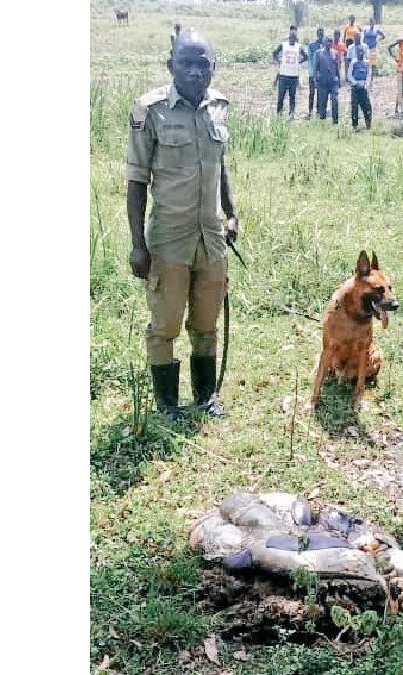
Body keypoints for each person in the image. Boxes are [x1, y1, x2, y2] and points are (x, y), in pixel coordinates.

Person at [126, 29, 239, 421]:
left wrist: (231, 213)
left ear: (213, 67)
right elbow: (136, 180)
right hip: (169, 241)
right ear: (170, 65)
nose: (194, 71)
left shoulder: (218, 107)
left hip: (212, 239)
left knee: (206, 324)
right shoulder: (149, 110)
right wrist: (138, 244)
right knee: (165, 327)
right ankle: (167, 405)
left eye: (201, 64)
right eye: (185, 63)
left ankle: (206, 398)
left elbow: (220, 166)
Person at [272, 25, 307, 120]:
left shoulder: (299, 47)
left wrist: (299, 62)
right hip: (283, 75)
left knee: (292, 97)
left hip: (294, 76)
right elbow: (274, 53)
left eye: (294, 37)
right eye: (291, 37)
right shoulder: (283, 45)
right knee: (281, 97)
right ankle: (279, 115)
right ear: (289, 37)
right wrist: (278, 60)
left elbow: (306, 57)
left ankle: (291, 115)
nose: (292, 39)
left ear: (296, 38)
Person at [314, 36, 341, 124]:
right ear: (324, 42)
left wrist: (339, 79)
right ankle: (323, 122)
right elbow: (316, 68)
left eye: (330, 41)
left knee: (335, 101)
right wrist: (315, 80)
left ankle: (335, 122)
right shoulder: (318, 53)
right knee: (323, 102)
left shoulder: (335, 53)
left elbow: (337, 67)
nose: (329, 43)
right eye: (327, 41)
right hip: (323, 81)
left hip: (333, 81)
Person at [347, 42, 372, 130]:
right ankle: (355, 126)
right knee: (354, 107)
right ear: (356, 53)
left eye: (361, 52)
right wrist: (355, 82)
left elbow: (369, 74)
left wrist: (366, 84)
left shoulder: (367, 63)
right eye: (358, 52)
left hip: (364, 86)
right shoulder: (353, 62)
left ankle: (368, 124)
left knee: (366, 106)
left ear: (364, 52)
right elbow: (349, 75)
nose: (360, 54)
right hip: (355, 87)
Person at [361, 18, 384, 89]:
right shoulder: (366, 29)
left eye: (373, 22)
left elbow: (383, 36)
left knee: (373, 65)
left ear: (374, 22)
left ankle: (371, 82)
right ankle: (365, 80)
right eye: (371, 22)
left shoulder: (377, 29)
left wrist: (378, 40)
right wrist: (363, 46)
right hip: (366, 48)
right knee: (365, 64)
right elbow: (363, 38)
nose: (372, 23)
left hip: (373, 48)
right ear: (370, 22)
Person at [306, 27, 324, 119]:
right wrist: (311, 73)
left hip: (322, 74)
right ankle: (310, 112)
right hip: (313, 74)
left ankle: (318, 112)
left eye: (322, 34)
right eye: (320, 34)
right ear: (317, 34)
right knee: (312, 93)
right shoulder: (311, 45)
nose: (321, 36)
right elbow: (309, 60)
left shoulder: (325, 45)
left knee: (320, 94)